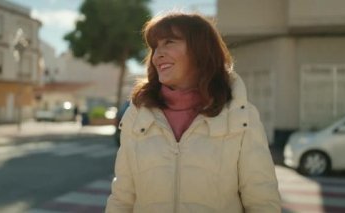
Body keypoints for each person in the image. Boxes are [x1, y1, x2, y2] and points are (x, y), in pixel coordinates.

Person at [106, 12, 281, 213]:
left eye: (169, 42)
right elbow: (122, 199)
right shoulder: (136, 116)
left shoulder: (241, 115)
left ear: (200, 50)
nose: (157, 55)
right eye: (155, 47)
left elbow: (262, 202)